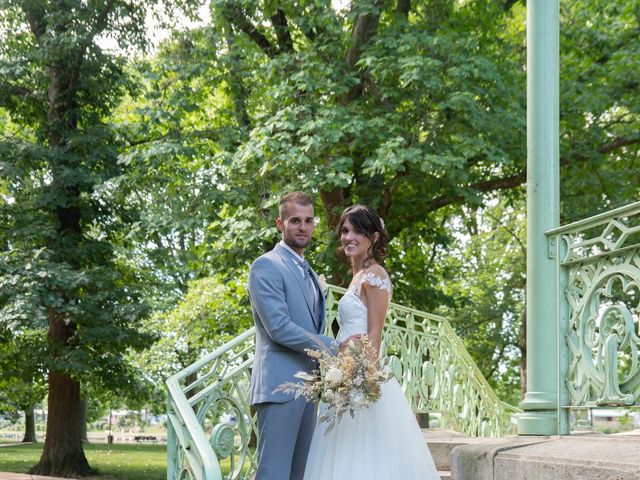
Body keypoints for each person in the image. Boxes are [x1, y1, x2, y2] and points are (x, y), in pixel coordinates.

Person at [303, 205, 440, 480]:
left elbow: (374, 332)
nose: (349, 237)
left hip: (361, 378)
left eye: (358, 231)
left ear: (374, 237)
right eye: (345, 230)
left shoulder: (374, 275)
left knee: (364, 460)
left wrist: (362, 380)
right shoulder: (357, 276)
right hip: (344, 375)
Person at [248, 192, 356, 480]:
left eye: (308, 220)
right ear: (279, 223)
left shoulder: (307, 271)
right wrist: (333, 346)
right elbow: (279, 327)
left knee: (300, 475)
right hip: (279, 389)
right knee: (274, 473)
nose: (303, 227)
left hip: (310, 389)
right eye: (295, 220)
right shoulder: (266, 265)